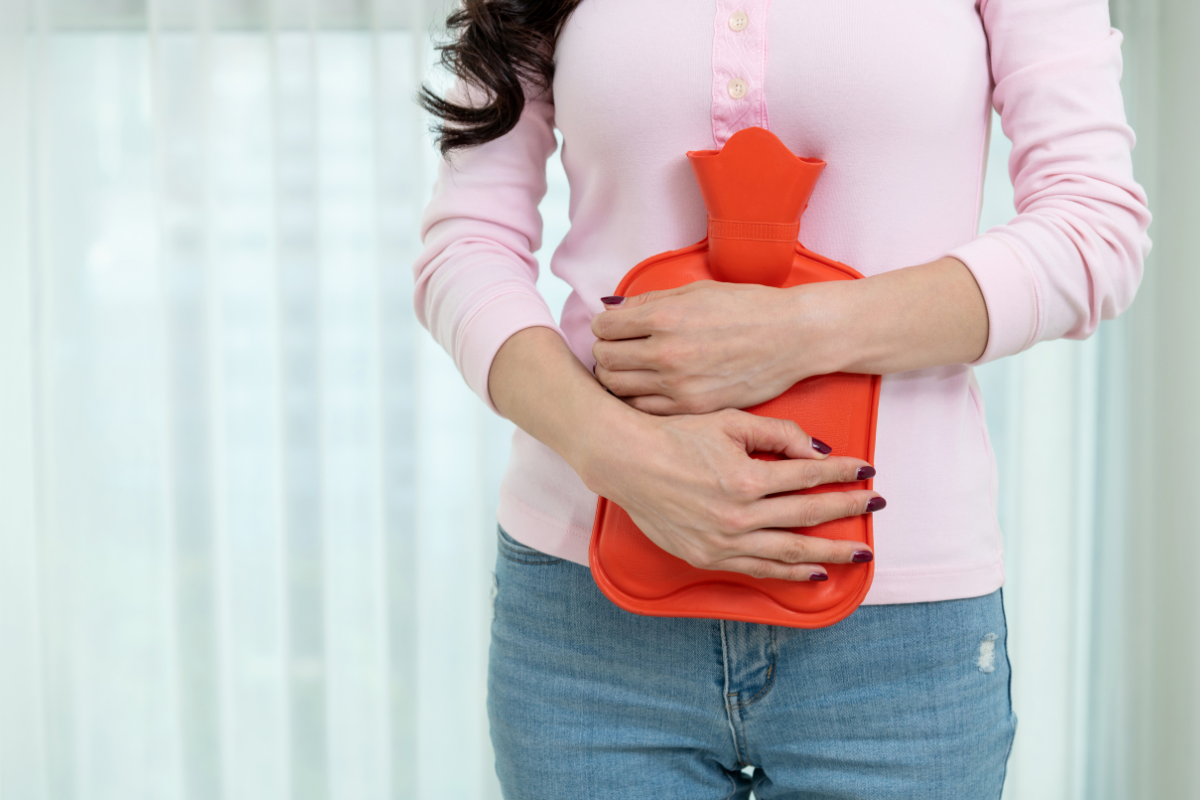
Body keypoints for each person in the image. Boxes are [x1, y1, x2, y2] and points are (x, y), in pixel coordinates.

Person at [413, 0, 1151, 796]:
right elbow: (466, 244)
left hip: (895, 627)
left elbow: (1093, 229)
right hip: (589, 616)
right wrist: (618, 453)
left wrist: (797, 330)